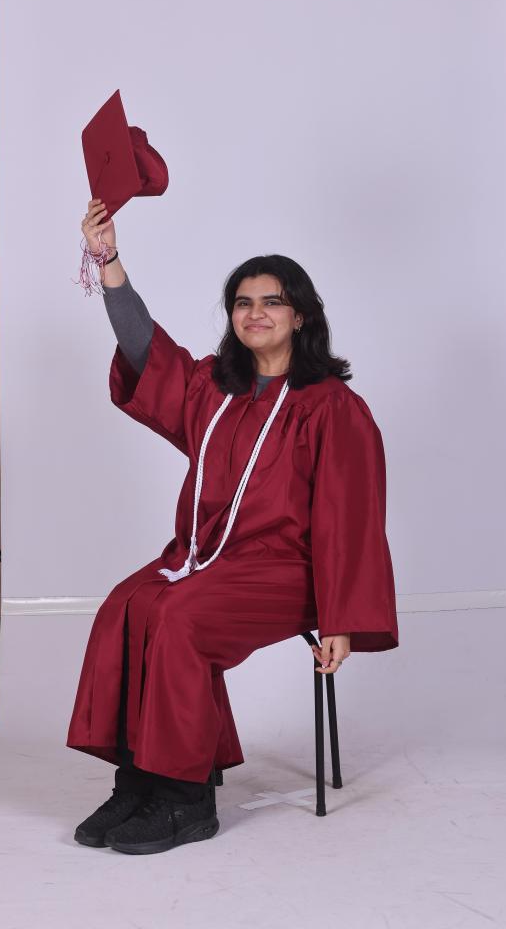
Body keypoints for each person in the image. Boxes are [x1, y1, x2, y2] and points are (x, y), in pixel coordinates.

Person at [68, 198, 399, 855]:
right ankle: (138, 781)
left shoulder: (332, 406)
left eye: (272, 301)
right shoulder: (214, 390)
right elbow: (145, 352)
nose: (255, 313)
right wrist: (109, 262)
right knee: (127, 604)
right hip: (207, 557)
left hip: (288, 571)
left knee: (181, 617)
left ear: (301, 315)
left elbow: (351, 520)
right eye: (243, 302)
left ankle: (185, 799)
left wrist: (340, 617)